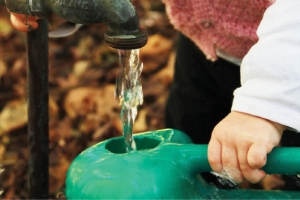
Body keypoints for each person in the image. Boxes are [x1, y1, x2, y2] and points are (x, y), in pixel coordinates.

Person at [10, 1, 300, 186]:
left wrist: (265, 106)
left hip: (289, 70)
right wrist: (67, 6)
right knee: (191, 138)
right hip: (206, 50)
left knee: (288, 161)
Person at [161, 0, 300, 186]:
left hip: (290, 56)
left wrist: (265, 103)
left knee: (294, 159)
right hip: (206, 43)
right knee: (192, 135)